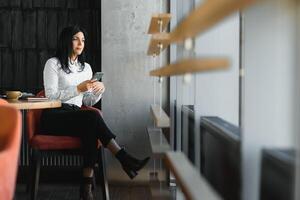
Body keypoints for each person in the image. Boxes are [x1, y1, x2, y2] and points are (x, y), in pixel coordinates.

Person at [40, 25, 149, 200]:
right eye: (76, 39)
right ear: (66, 40)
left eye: (83, 40)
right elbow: (50, 96)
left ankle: (86, 187)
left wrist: (99, 90)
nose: (80, 43)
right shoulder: (53, 64)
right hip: (54, 115)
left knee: (90, 125)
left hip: (76, 114)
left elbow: (87, 101)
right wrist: (78, 88)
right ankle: (123, 159)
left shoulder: (86, 68)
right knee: (92, 117)